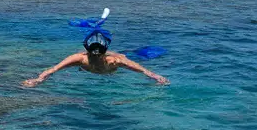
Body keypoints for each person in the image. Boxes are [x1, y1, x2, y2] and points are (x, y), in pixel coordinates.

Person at [22, 30, 169, 87]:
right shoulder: (79, 59)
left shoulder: (116, 60)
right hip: (90, 71)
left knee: (131, 55)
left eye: (98, 53)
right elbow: (53, 69)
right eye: (94, 53)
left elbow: (142, 70)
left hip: (112, 72)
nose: (96, 55)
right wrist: (38, 79)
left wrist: (156, 76)